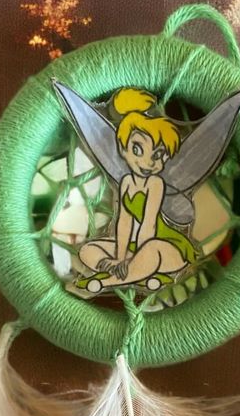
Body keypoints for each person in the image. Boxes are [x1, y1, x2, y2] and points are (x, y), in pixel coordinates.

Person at [76, 88, 197, 293]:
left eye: (158, 155)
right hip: (134, 246)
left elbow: (149, 223)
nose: (147, 162)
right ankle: (140, 274)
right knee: (87, 250)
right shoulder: (126, 182)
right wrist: (119, 257)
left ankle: (106, 281)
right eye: (137, 149)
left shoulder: (155, 183)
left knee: (151, 251)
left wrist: (133, 256)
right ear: (123, 149)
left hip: (165, 246)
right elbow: (124, 221)